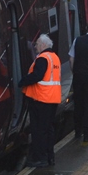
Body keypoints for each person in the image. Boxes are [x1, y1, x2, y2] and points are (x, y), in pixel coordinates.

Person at [19, 34, 61, 167]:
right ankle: (50, 157)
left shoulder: (42, 58)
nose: (35, 46)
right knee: (48, 129)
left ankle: (40, 159)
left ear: (43, 45)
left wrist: (22, 81)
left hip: (41, 99)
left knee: (39, 130)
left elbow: (37, 75)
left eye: (37, 44)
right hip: (53, 99)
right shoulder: (55, 58)